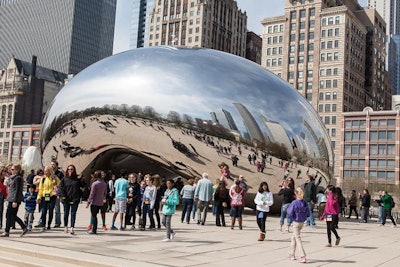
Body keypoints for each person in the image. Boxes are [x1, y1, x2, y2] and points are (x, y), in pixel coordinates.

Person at [1, 164, 28, 237]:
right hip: (11, 198)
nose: (11, 171)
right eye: (11, 169)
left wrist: (15, 201)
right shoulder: (13, 178)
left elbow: (17, 190)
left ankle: (7, 231)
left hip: (14, 199)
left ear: (17, 170)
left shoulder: (18, 178)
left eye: (13, 169)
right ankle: (23, 227)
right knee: (11, 215)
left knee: (10, 215)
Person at [58, 164, 86, 235]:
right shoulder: (64, 178)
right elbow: (61, 187)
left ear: (74, 170)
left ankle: (72, 227)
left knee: (73, 213)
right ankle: (65, 226)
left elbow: (83, 185)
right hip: (66, 198)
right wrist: (63, 196)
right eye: (69, 169)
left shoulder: (77, 178)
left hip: (75, 198)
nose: (70, 170)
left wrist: (82, 178)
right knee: (66, 213)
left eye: (71, 169)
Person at [287, 187, 309, 264]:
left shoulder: (294, 202)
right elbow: (308, 213)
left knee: (297, 238)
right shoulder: (305, 202)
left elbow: (289, 212)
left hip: (296, 222)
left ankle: (302, 256)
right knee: (294, 237)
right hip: (302, 222)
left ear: (296, 194)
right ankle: (291, 254)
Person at [37, 166, 61, 231]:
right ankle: (43, 225)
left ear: (50, 171)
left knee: (51, 211)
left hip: (52, 196)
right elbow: (40, 189)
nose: (45, 172)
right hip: (45, 196)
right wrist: (39, 197)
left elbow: (60, 184)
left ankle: (49, 224)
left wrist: (55, 183)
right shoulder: (43, 179)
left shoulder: (54, 178)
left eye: (47, 171)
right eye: (45, 171)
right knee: (44, 211)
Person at [86, 170, 107, 235]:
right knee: (98, 215)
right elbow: (105, 193)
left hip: (94, 202)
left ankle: (94, 230)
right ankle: (95, 229)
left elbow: (92, 194)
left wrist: (88, 202)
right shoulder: (104, 183)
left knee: (94, 215)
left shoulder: (95, 184)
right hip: (101, 202)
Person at [51, 160, 64, 228]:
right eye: (51, 164)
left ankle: (57, 222)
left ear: (56, 165)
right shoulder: (49, 173)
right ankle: (44, 222)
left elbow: (62, 183)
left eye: (53, 164)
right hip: (49, 193)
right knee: (47, 208)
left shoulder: (60, 174)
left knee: (57, 208)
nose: (52, 166)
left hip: (56, 193)